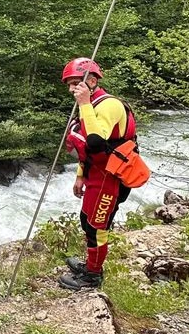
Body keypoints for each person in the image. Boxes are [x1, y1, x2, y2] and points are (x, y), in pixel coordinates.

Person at [58, 57, 137, 290]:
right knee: (86, 219)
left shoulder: (109, 105)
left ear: (92, 81)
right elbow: (86, 150)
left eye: (75, 83)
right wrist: (80, 175)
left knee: (97, 227)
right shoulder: (90, 105)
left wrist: (83, 104)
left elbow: (94, 141)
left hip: (111, 178)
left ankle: (93, 275)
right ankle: (90, 264)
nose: (71, 90)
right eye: (70, 85)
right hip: (96, 174)